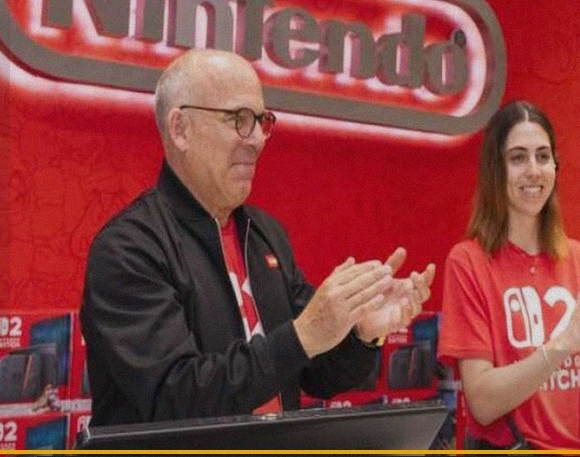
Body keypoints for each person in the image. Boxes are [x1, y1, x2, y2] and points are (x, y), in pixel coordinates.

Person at [81, 48, 436, 425]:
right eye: (239, 119)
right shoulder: (128, 249)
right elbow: (177, 398)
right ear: (180, 129)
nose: (256, 140)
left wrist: (362, 333)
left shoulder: (265, 235)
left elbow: (317, 373)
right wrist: (302, 336)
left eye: (262, 121)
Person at [437, 100, 580, 450]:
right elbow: (482, 402)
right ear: (496, 170)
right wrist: (565, 343)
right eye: (518, 158)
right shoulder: (469, 262)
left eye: (543, 157)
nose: (533, 170)